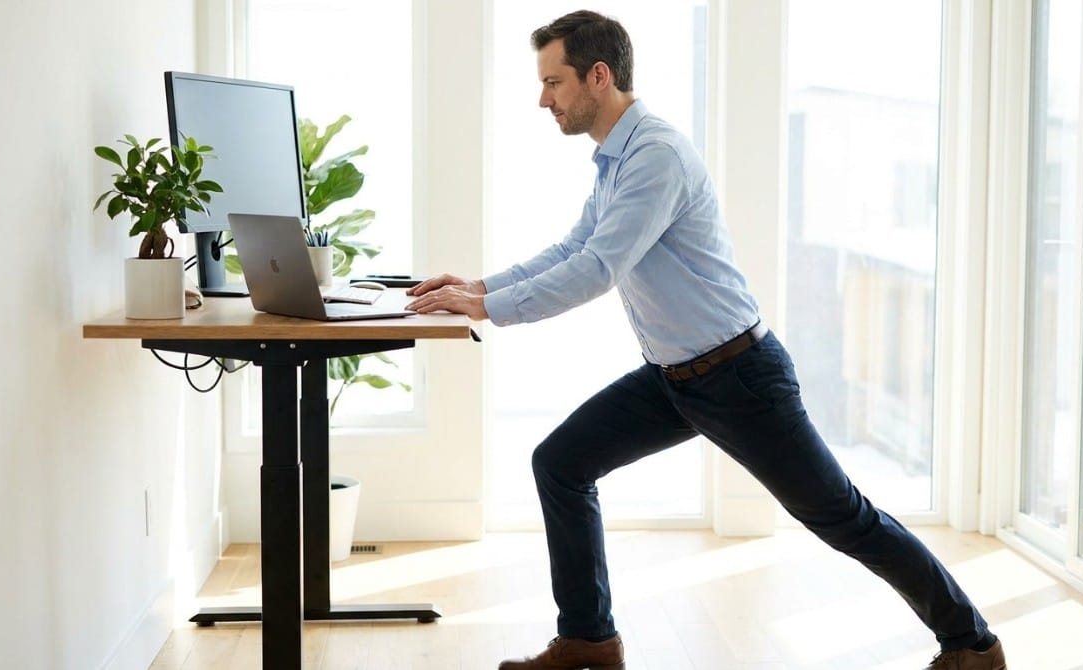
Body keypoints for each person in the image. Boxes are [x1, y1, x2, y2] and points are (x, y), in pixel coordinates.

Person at [405, 10, 1008, 670]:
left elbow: (597, 269)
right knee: (562, 463)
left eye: (554, 82)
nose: (543, 99)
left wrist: (487, 310)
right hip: (675, 379)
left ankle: (972, 642)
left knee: (841, 517)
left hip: (739, 377)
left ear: (598, 77)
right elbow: (575, 245)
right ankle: (588, 640)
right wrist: (478, 288)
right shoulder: (615, 159)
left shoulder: (654, 156)